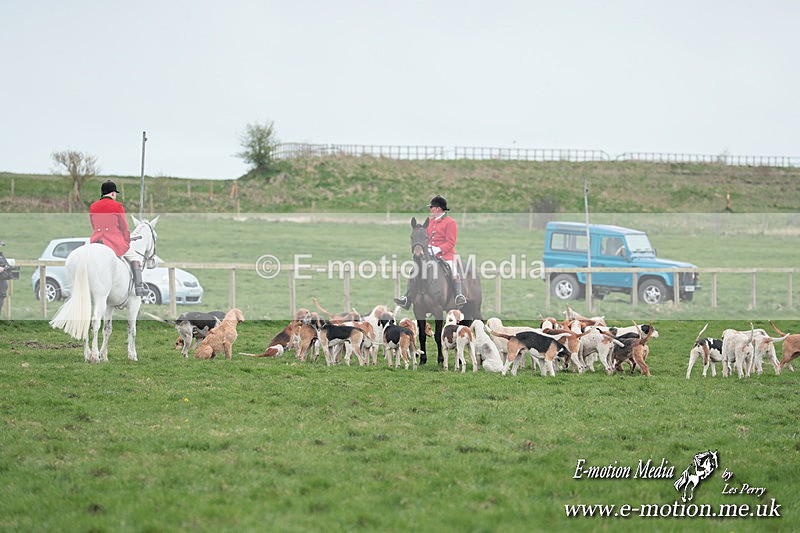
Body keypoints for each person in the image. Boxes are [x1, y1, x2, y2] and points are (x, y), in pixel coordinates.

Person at [394, 194, 467, 309]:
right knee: (413, 271)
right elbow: (424, 238)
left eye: (431, 207)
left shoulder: (450, 222)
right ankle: (407, 298)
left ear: (438, 208)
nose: (430, 209)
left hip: (446, 255)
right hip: (429, 255)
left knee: (453, 270)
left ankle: (458, 296)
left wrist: (437, 249)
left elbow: (451, 242)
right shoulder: (430, 222)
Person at [89, 180, 148, 297]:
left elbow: (94, 225)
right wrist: (126, 241)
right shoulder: (117, 206)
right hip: (113, 241)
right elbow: (124, 227)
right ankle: (139, 287)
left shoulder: (93, 206)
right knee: (134, 257)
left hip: (96, 240)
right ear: (112, 193)